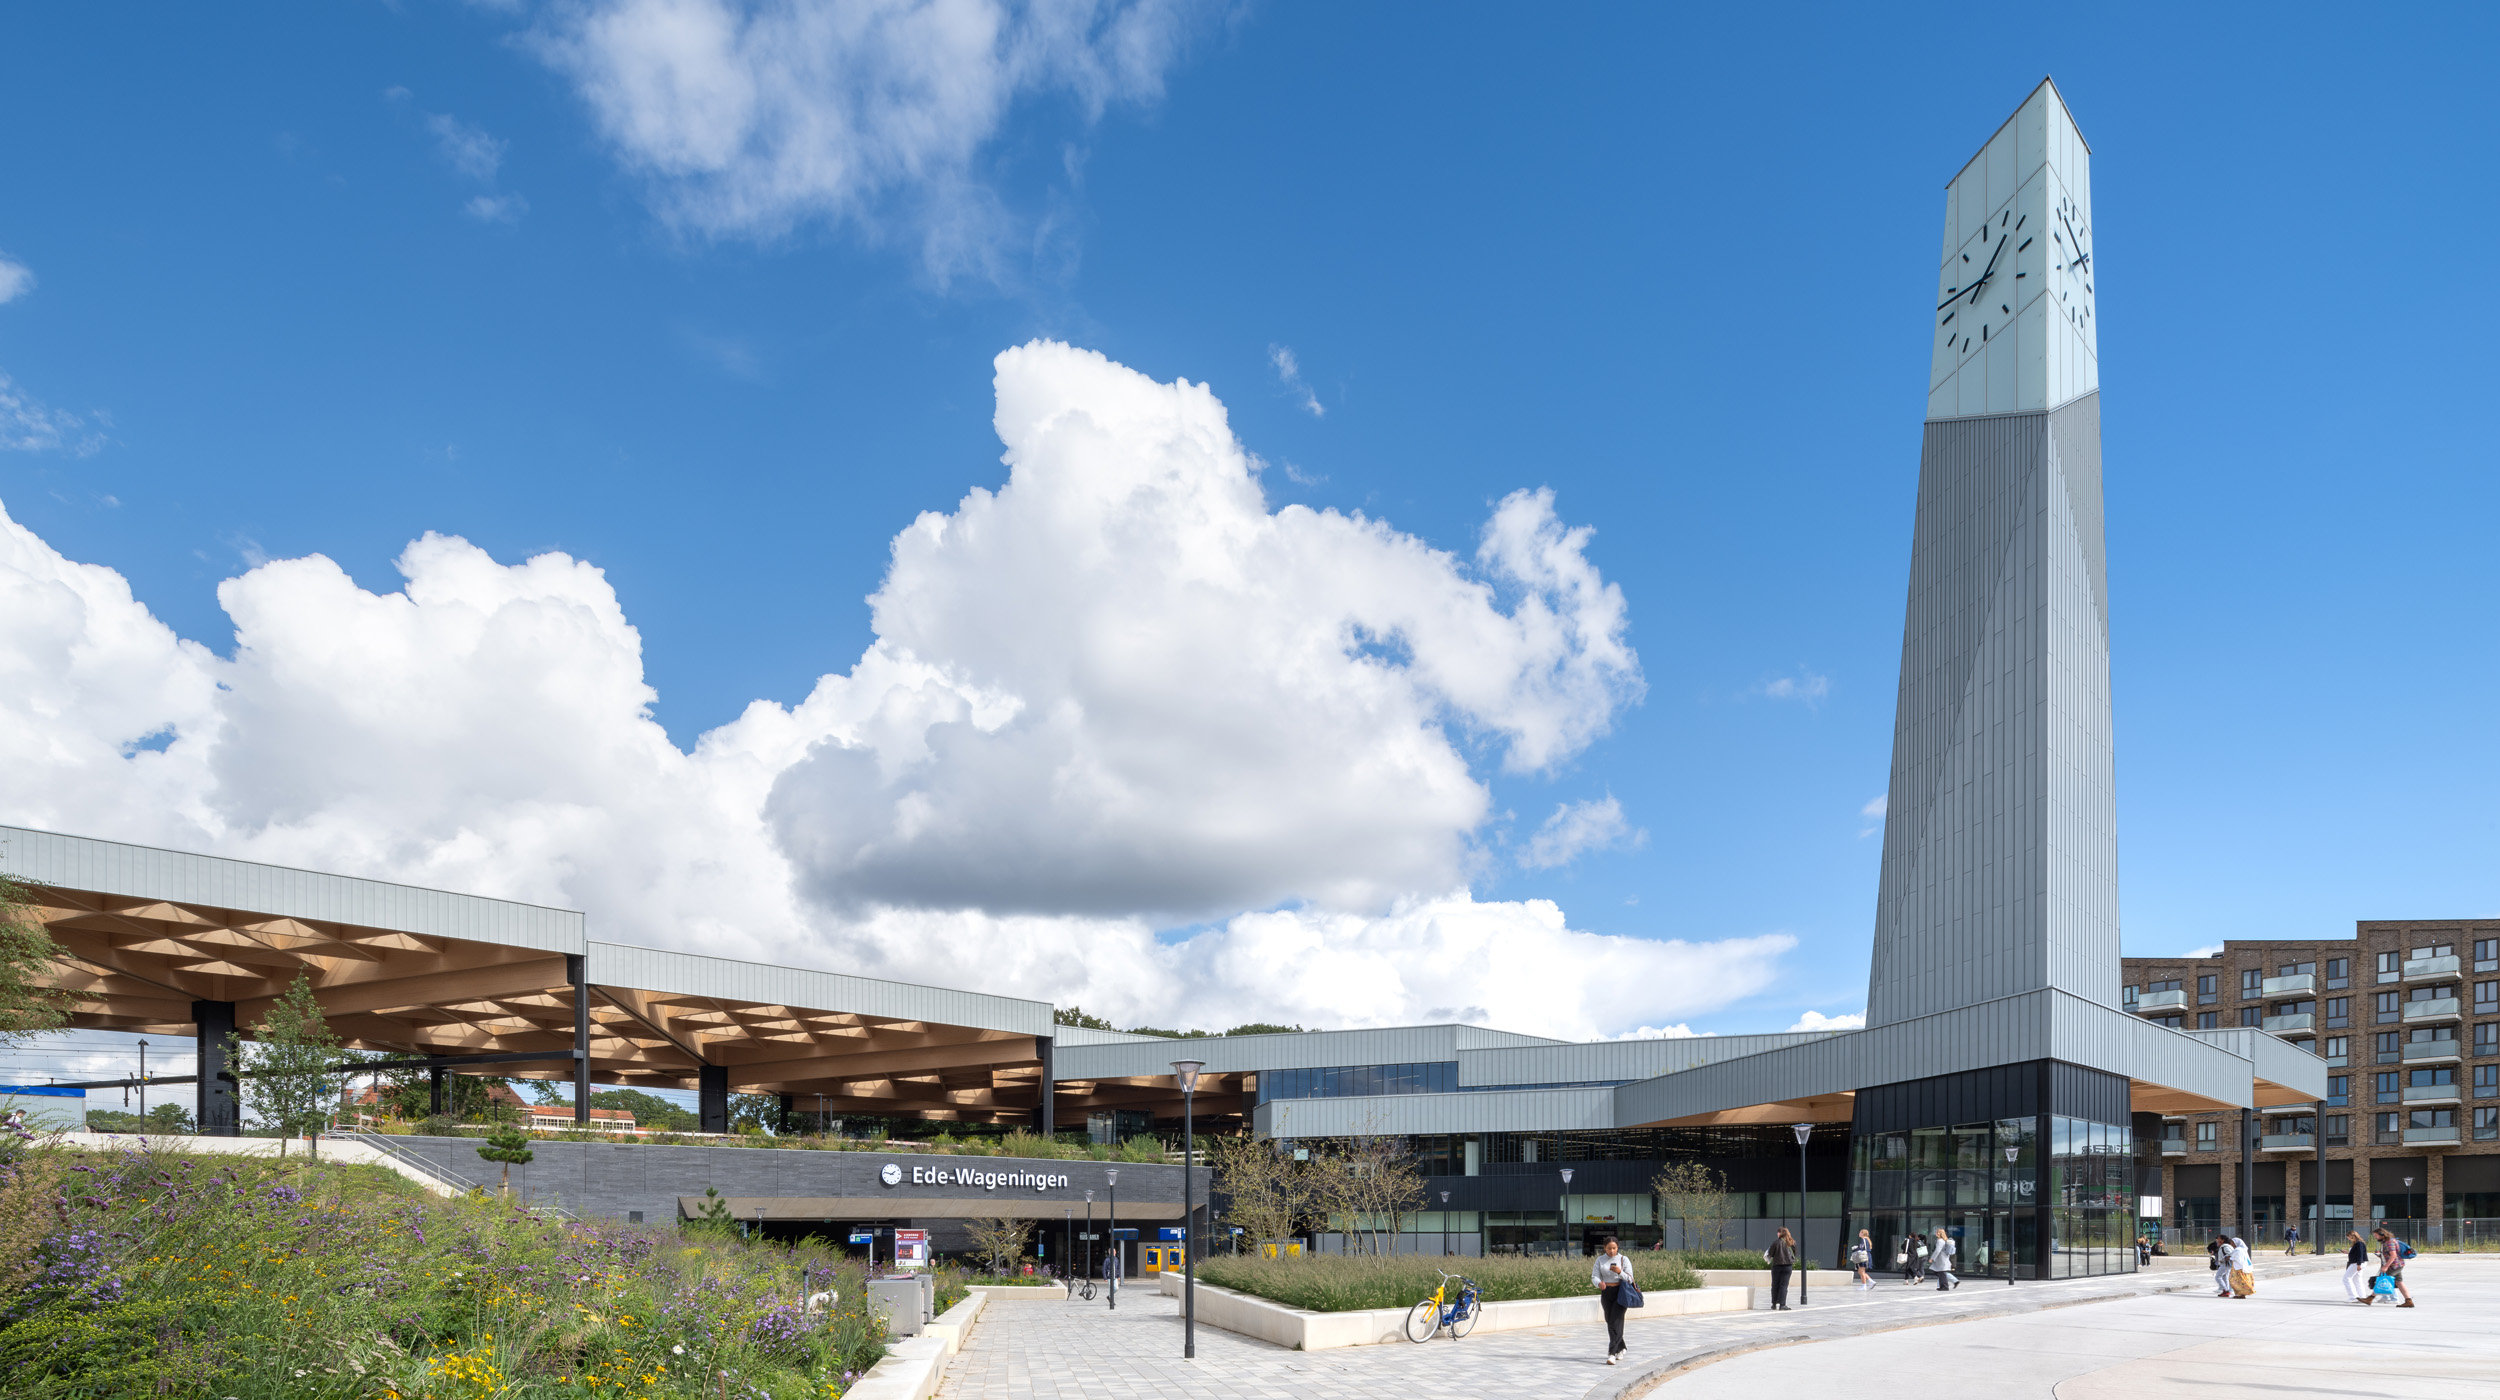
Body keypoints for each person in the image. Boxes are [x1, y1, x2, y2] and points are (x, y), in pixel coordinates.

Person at [1592, 1235, 1635, 1364]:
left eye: (1614, 1248)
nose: (1612, 1251)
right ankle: (1621, 1348)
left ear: (1618, 1247)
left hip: (1620, 1293)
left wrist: (1620, 1272)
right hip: (1606, 1292)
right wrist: (1599, 1283)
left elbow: (1630, 1279)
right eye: (1609, 1248)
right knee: (1609, 1321)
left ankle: (1612, 1353)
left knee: (1616, 1321)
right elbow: (1594, 1276)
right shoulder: (1600, 1260)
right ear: (1604, 1248)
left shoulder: (1624, 1259)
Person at [2372, 1227, 2415, 1308]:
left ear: (2382, 1234)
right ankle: (2408, 1301)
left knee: (2382, 1280)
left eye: (2376, 1235)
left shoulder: (2389, 1242)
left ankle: (2370, 1298)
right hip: (2397, 1265)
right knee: (2399, 1282)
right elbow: (2389, 1254)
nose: (2375, 1237)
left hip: (2394, 1266)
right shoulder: (2386, 1242)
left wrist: (2385, 1266)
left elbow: (2393, 1255)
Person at [1766, 1227, 1797, 1310]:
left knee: (1775, 1285)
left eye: (1778, 1232)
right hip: (1787, 1266)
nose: (1777, 1234)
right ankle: (1782, 1305)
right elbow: (1794, 1254)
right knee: (1784, 1286)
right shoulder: (1792, 1243)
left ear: (1780, 1233)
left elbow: (1770, 1254)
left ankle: (1774, 1304)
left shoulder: (1776, 1242)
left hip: (1777, 1266)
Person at [2342, 1230, 2370, 1304]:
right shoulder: (2358, 1243)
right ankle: (2362, 1296)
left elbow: (2360, 1254)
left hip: (2357, 1263)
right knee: (2357, 1279)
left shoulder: (2359, 1243)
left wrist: (2358, 1264)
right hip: (2359, 1262)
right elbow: (2356, 1253)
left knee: (2346, 1278)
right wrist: (2348, 1253)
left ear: (2352, 1236)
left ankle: (2353, 1296)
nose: (2348, 1239)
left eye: (2348, 1237)